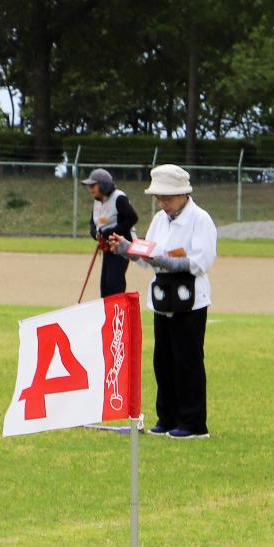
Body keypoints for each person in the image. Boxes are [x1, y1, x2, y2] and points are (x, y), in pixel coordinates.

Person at [116, 164, 216, 438]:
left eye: (167, 198)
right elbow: (150, 257)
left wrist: (166, 261)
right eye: (159, 198)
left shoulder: (201, 219)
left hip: (190, 301)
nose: (162, 203)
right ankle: (167, 418)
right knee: (163, 361)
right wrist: (127, 250)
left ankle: (193, 423)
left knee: (188, 362)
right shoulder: (160, 219)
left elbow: (201, 260)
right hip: (162, 299)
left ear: (184, 194)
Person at [82, 168, 137, 298]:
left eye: (93, 185)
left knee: (114, 286)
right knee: (105, 288)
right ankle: (108, 315)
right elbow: (93, 223)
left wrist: (110, 231)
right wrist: (95, 233)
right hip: (107, 249)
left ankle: (118, 314)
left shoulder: (119, 198)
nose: (91, 189)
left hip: (120, 248)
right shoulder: (97, 200)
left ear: (103, 185)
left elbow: (132, 218)